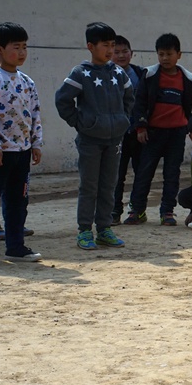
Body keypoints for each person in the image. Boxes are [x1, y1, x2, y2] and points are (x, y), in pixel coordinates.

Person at [55, 22, 134, 250]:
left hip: (114, 140)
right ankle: (84, 231)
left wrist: (122, 121)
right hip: (90, 140)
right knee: (89, 186)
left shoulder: (119, 73)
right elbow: (62, 100)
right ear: (90, 46)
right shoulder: (81, 73)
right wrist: (81, 123)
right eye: (104, 45)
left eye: (112, 45)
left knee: (109, 185)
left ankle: (104, 229)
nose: (110, 50)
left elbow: (129, 99)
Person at [123, 33, 192, 227]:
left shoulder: (188, 79)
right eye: (161, 54)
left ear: (179, 55)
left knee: (172, 174)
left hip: (176, 134)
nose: (165, 58)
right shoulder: (149, 75)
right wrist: (141, 127)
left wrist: (187, 127)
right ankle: (137, 211)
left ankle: (167, 212)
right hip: (152, 134)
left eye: (169, 54)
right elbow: (139, 103)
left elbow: (187, 105)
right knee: (144, 173)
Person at [0, 22, 43, 261]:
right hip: (2, 152)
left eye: (25, 47)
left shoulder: (27, 82)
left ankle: (15, 247)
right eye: (16, 47)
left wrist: (36, 143)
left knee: (18, 201)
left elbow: (35, 113)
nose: (22, 52)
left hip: (22, 151)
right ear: (0, 50)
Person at [111, 35, 144, 225]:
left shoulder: (140, 74)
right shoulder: (105, 75)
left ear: (132, 53)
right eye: (116, 52)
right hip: (116, 134)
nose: (121, 55)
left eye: (125, 51)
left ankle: (137, 210)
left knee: (141, 173)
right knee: (116, 175)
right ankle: (114, 211)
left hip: (138, 133)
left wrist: (143, 126)